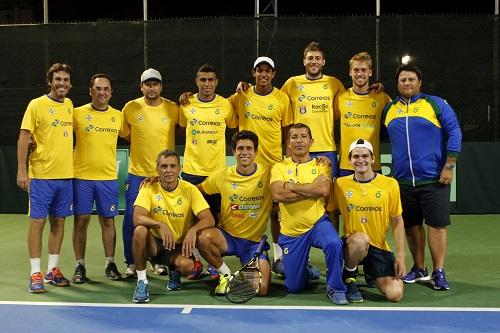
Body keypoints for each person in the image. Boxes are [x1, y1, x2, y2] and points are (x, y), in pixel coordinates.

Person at [381, 64, 462, 290]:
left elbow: (454, 131)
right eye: (403, 80)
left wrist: (449, 165)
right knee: (411, 226)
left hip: (433, 179)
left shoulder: (435, 104)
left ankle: (438, 271)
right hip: (403, 181)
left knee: (436, 225)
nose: (407, 83)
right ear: (397, 84)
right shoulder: (389, 110)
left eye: (411, 79)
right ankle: (419, 268)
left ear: (419, 83)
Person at [228, 56, 295, 278]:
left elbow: (288, 131)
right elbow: (221, 107)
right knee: (244, 210)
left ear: (273, 74)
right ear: (253, 73)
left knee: (277, 214)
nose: (263, 74)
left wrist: (288, 159)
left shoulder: (282, 99)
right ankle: (241, 251)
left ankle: (278, 257)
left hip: (274, 166)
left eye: (268, 71)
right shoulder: (242, 95)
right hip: (248, 167)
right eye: (259, 71)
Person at [269, 123, 347, 305]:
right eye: (294, 137)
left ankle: (336, 287)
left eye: (303, 137)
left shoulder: (321, 165)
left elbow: (323, 191)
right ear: (288, 143)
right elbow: (277, 194)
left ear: (311, 141)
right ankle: (306, 270)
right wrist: (311, 188)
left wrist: (290, 186)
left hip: (317, 223)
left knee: (334, 243)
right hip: (291, 232)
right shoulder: (278, 167)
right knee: (294, 287)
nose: (299, 141)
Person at [17, 63, 74, 293]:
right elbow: (24, 138)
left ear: (70, 84)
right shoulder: (36, 105)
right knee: (38, 223)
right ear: (50, 81)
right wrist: (22, 170)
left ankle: (52, 270)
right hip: (41, 177)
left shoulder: (70, 105)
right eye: (58, 79)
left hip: (66, 177)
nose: (62, 84)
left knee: (59, 223)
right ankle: (35, 273)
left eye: (66, 80)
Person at [131, 150, 215, 303]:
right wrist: (159, 224)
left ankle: (174, 270)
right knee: (140, 230)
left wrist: (193, 229)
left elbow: (209, 219)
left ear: (179, 168)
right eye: (163, 166)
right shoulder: (148, 187)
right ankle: (142, 281)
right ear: (157, 169)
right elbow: (137, 217)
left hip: (178, 247)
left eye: (172, 166)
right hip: (155, 244)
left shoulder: (190, 189)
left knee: (190, 267)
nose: (168, 170)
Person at [178, 63, 237, 279]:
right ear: (196, 82)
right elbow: (181, 126)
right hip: (192, 171)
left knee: (217, 219)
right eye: (202, 80)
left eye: (210, 80)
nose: (207, 84)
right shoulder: (186, 104)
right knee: (192, 219)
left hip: (217, 173)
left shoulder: (226, 106)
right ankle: (193, 261)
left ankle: (214, 263)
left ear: (216, 82)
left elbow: (233, 125)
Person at [197, 130, 272, 296]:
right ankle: (225, 274)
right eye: (240, 148)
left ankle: (256, 266)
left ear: (256, 152)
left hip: (253, 244)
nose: (244, 152)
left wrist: (319, 161)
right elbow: (196, 192)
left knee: (261, 289)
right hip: (227, 236)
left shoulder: (268, 174)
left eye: (248, 148)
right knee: (203, 238)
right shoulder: (222, 175)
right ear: (233, 152)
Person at [121, 68, 179, 278]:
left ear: (161, 87)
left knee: (163, 219)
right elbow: (127, 135)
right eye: (147, 84)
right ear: (141, 87)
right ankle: (130, 262)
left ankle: (159, 260)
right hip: (137, 174)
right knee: (131, 219)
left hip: (165, 175)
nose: (151, 88)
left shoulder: (173, 108)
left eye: (155, 84)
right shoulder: (131, 107)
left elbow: (179, 130)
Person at [331, 139, 405, 302]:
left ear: (373, 159)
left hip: (378, 245)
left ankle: (371, 272)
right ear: (349, 160)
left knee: (395, 294)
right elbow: (332, 213)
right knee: (360, 239)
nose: (360, 160)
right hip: (352, 244)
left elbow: (397, 221)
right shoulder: (340, 184)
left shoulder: (390, 184)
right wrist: (334, 244)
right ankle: (349, 277)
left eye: (365, 156)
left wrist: (400, 255)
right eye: (356, 156)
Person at [71, 74, 124, 283]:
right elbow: (56, 131)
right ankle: (79, 266)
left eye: (106, 89)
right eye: (98, 88)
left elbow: (135, 135)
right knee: (81, 221)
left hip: (108, 178)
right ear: (90, 91)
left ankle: (110, 264)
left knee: (108, 221)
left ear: (111, 92)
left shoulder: (118, 116)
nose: (102, 92)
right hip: (81, 177)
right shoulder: (77, 114)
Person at [280, 41, 346, 178]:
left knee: (329, 195)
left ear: (323, 62)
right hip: (299, 149)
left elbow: (350, 101)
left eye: (317, 58)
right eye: (310, 58)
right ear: (304, 61)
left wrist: (374, 88)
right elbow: (275, 104)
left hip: (327, 149)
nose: (313, 62)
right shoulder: (291, 83)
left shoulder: (334, 84)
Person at [334, 52, 391, 177]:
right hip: (346, 165)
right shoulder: (341, 97)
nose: (360, 74)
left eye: (364, 70)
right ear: (350, 72)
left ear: (370, 72)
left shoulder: (382, 98)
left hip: (372, 164)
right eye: (356, 70)